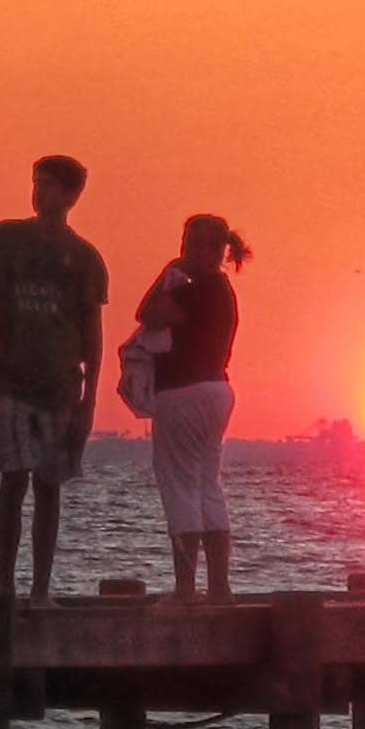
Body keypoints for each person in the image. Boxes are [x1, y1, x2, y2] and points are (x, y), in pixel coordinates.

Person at [0, 155, 109, 603]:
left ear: (71, 196)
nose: (40, 193)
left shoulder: (85, 258)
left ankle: (41, 591)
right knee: (13, 481)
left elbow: (93, 332)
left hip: (62, 386)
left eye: (49, 186)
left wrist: (90, 400)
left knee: (49, 487)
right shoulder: (6, 239)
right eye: (36, 184)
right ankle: (6, 587)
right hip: (10, 381)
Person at [137, 214, 249, 601]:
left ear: (218, 250)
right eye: (186, 244)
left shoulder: (196, 290)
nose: (188, 252)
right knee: (207, 486)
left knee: (181, 486)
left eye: (198, 245)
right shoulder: (224, 291)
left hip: (183, 392)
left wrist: (170, 270)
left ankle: (185, 587)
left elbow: (147, 312)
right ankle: (219, 586)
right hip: (217, 390)